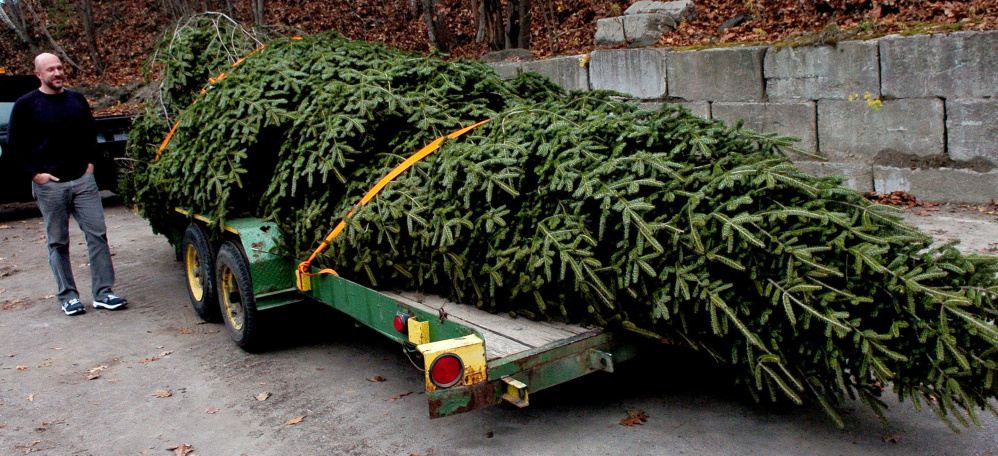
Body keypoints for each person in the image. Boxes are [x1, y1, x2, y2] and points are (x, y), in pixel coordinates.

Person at [6, 53, 127, 316]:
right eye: (51, 69)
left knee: (97, 235)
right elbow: (14, 147)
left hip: (82, 181)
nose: (58, 73)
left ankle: (104, 293)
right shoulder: (26, 105)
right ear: (39, 74)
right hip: (50, 186)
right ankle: (68, 296)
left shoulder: (76, 99)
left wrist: (90, 166)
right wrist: (36, 175)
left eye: (60, 68)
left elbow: (89, 134)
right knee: (58, 242)